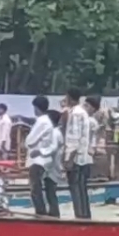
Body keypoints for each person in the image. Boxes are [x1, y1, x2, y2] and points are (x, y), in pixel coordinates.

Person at [25, 95, 60, 217]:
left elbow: (29, 141)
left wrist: (37, 149)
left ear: (37, 107)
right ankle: (43, 212)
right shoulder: (44, 122)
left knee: (35, 189)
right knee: (38, 188)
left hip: (38, 160)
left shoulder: (42, 121)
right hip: (40, 160)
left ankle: (40, 212)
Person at [64, 87, 92, 219]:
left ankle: (80, 217)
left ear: (70, 98)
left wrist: (69, 159)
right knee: (81, 188)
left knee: (75, 189)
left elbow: (74, 138)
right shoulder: (83, 112)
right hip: (82, 156)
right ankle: (85, 216)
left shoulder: (75, 113)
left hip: (75, 157)